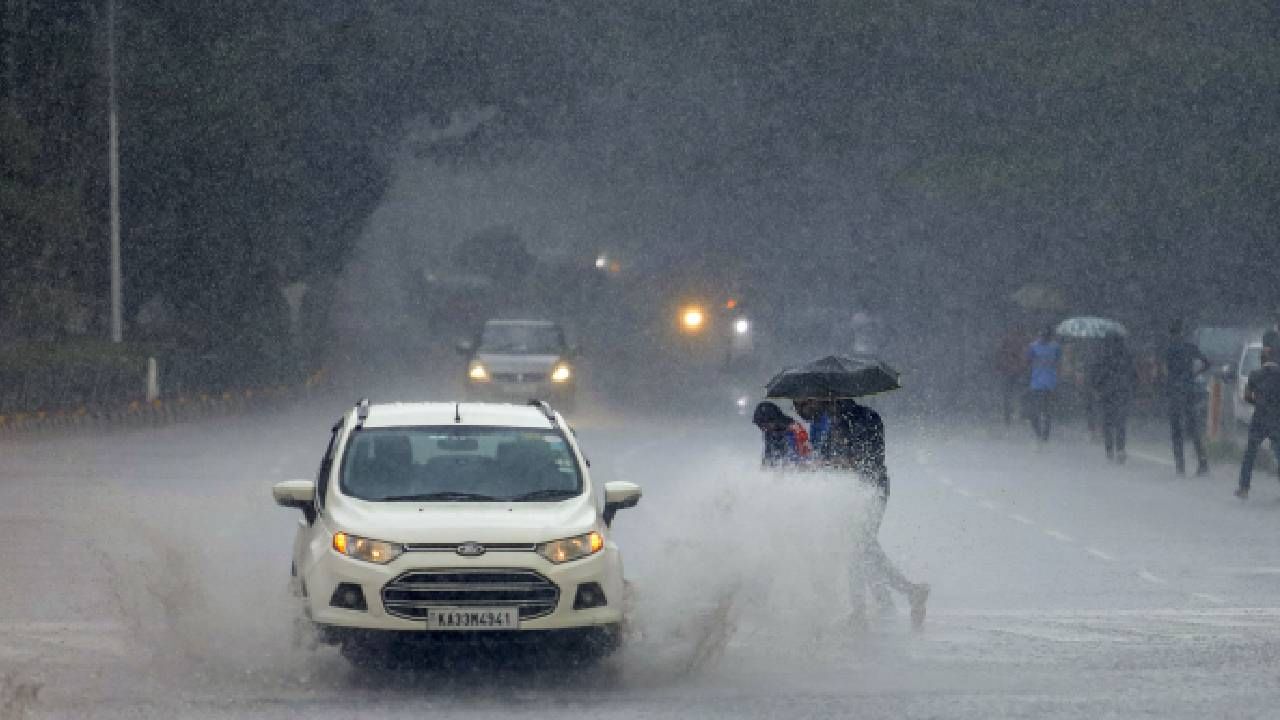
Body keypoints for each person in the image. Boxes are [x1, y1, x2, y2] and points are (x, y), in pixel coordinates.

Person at [796, 397, 929, 630]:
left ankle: (886, 601)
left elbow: (867, 459)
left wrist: (839, 462)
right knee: (860, 548)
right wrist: (819, 464)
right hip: (851, 491)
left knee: (860, 548)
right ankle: (902, 594)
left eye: (805, 405)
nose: (802, 410)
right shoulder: (836, 422)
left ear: (829, 402)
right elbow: (828, 457)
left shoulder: (865, 419)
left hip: (870, 490)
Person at [1165, 320, 1210, 476]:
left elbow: (1166, 370)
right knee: (1193, 427)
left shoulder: (1169, 349)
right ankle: (1202, 462)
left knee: (1176, 429)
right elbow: (1206, 363)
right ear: (1182, 331)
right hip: (1189, 389)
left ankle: (1180, 466)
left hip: (1175, 391)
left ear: (1170, 333)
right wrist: (1194, 374)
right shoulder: (1190, 347)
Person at [1235, 346, 1280, 499]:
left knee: (1250, 454)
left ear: (1261, 361)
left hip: (1260, 418)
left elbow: (1247, 396)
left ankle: (1244, 488)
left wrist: (1258, 403)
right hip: (1277, 419)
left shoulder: (1255, 375)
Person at [1089, 332, 1137, 463]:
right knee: (1121, 422)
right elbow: (1133, 374)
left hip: (1107, 392)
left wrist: (1096, 387)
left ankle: (1109, 449)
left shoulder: (1103, 355)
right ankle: (1120, 449)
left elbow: (1096, 373)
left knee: (1108, 422)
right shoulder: (1126, 355)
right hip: (1122, 391)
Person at [1025, 326, 1062, 443]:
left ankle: (1042, 434)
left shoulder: (1051, 347)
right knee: (1043, 411)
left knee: (1039, 411)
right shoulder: (1052, 347)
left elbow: (1027, 362)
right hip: (1042, 383)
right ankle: (1043, 434)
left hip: (1042, 383)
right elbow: (1058, 362)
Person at [751, 401, 810, 467]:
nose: (763, 429)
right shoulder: (770, 431)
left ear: (774, 419)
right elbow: (768, 454)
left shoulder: (793, 429)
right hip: (782, 467)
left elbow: (800, 455)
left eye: (764, 425)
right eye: (760, 426)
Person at [994, 327, 1028, 426]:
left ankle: (1009, 416)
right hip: (1014, 371)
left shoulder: (1007, 342)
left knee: (1008, 395)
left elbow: (999, 355)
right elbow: (1024, 357)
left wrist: (1000, 367)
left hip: (1009, 371)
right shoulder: (1020, 342)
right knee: (1015, 394)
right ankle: (1014, 415)